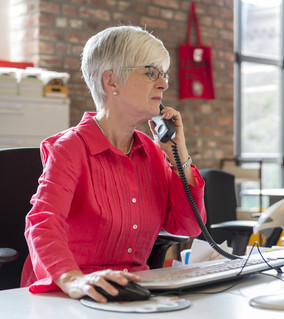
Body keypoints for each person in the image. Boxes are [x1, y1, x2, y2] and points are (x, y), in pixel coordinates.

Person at [21, 26, 206, 303]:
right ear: (112, 82)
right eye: (151, 73)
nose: (164, 84)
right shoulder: (70, 148)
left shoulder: (153, 154)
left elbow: (188, 226)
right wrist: (73, 279)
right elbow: (42, 222)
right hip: (69, 294)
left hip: (132, 292)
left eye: (164, 74)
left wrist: (178, 156)